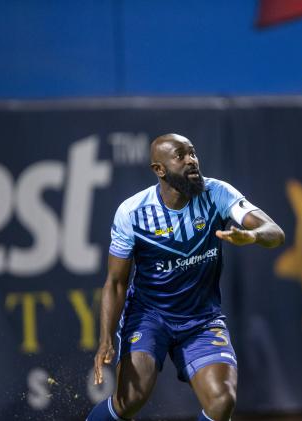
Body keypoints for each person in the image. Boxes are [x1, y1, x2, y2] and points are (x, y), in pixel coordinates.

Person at [87, 133, 284, 421]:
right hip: (149, 315)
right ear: (159, 169)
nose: (192, 160)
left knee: (221, 402)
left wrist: (252, 235)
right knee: (130, 400)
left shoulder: (217, 194)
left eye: (193, 153)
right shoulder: (132, 213)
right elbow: (116, 282)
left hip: (201, 320)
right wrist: (105, 338)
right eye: (181, 155)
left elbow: (275, 233)